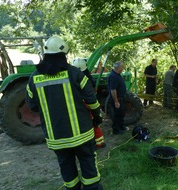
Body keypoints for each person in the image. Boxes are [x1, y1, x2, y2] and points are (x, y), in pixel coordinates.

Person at [26, 36, 103, 190]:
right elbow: (91, 100)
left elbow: (33, 106)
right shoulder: (75, 74)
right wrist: (97, 116)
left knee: (67, 171)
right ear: (64, 54)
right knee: (89, 169)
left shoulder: (33, 79)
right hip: (82, 135)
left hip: (56, 138)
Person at [72, 58, 105, 149]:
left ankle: (99, 142)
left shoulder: (74, 77)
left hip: (84, 104)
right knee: (93, 122)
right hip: (89, 103)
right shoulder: (87, 77)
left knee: (91, 123)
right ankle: (98, 141)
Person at [108, 61, 127, 135]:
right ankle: (116, 130)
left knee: (121, 113)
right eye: (122, 67)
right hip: (117, 99)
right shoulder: (113, 76)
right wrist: (116, 101)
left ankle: (121, 127)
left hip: (121, 98)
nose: (123, 68)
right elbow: (113, 90)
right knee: (117, 114)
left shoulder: (118, 75)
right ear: (118, 68)